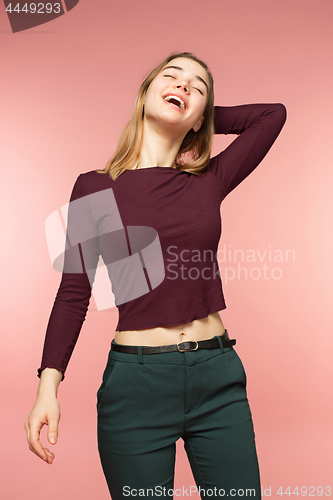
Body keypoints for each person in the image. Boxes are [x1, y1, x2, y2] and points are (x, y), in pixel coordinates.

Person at [24, 52, 287, 499]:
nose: (184, 86)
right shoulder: (96, 186)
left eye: (197, 87)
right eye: (172, 78)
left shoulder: (208, 178)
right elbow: (73, 292)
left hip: (217, 376)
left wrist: (199, 117)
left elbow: (271, 116)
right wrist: (48, 387)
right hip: (137, 387)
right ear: (144, 93)